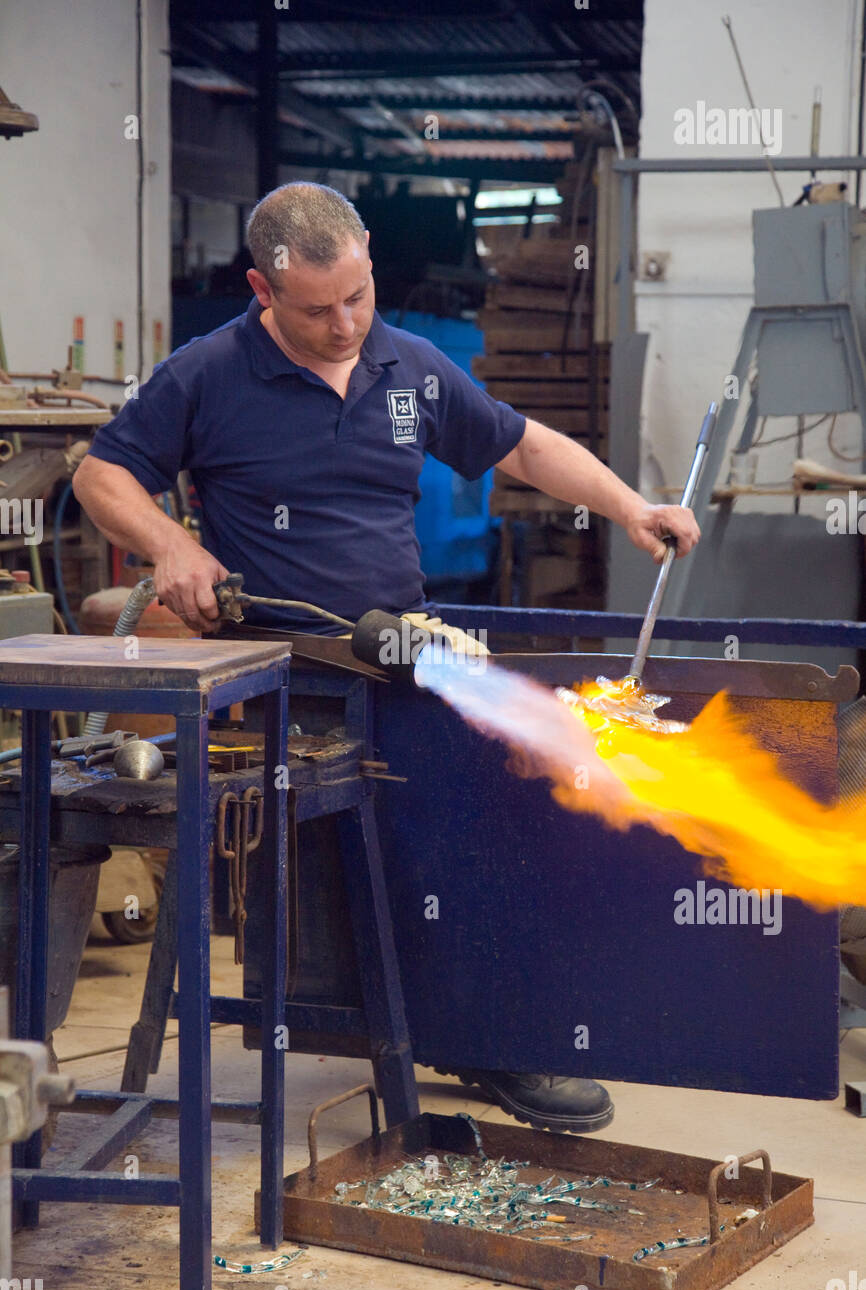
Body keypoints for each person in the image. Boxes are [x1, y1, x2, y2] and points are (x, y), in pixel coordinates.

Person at [74, 181, 700, 1134]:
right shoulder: (207, 375)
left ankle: (483, 1028)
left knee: (510, 797)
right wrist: (171, 545)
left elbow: (521, 448)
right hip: (285, 682)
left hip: (405, 654)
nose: (344, 324)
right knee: (434, 824)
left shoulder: (408, 366)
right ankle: (468, 1032)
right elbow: (99, 472)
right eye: (318, 309)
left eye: (358, 297)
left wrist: (630, 505)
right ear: (262, 289)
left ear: (367, 262)